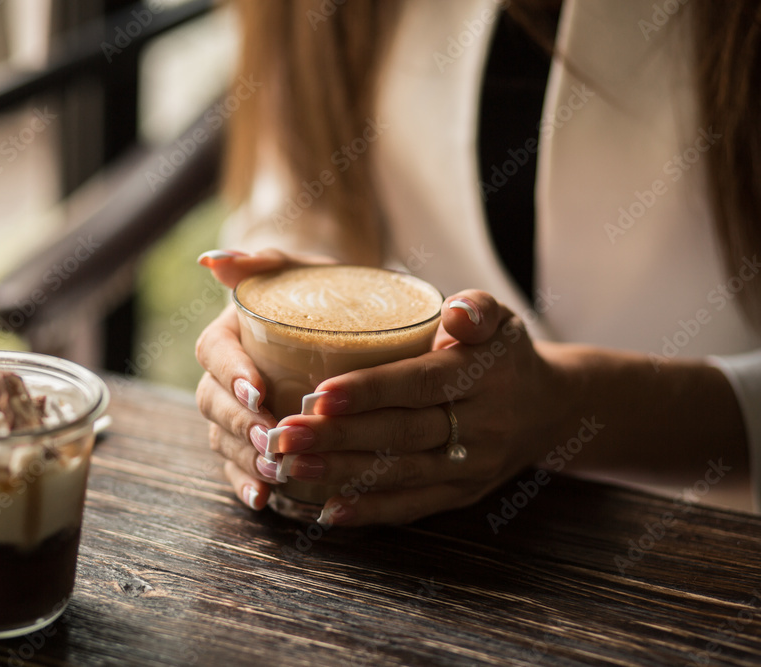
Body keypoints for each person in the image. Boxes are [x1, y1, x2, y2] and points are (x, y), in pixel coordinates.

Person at [194, 0, 761, 526]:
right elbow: (300, 206)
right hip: (422, 551)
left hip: (712, 555)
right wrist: (266, 340)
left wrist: (570, 406)